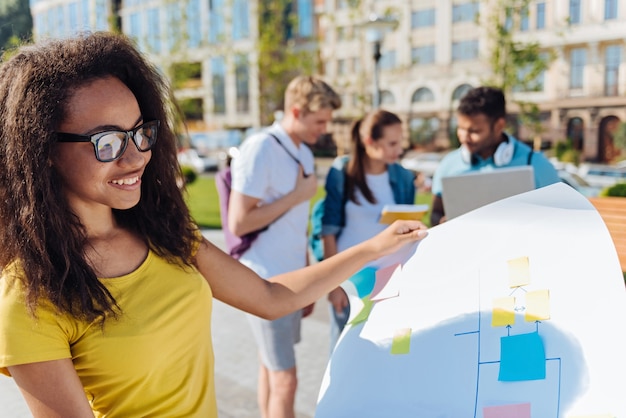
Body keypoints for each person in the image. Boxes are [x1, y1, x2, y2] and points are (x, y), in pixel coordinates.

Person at [0, 33, 428, 418]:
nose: (135, 158)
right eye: (106, 142)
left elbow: (270, 296)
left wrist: (375, 247)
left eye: (140, 133)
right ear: (43, 152)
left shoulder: (164, 232)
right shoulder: (29, 299)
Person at [228, 75, 341, 418]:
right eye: (319, 121)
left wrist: (307, 280)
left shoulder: (304, 153)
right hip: (264, 280)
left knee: (271, 368)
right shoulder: (261, 147)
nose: (324, 129)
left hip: (291, 279)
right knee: (286, 380)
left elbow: (297, 226)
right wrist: (297, 195)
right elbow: (238, 222)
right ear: (296, 110)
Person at [320, 109, 416, 350]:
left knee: (390, 349)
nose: (399, 149)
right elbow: (328, 230)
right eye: (392, 143)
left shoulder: (403, 177)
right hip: (350, 279)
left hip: (391, 279)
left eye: (400, 142)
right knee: (345, 352)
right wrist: (333, 285)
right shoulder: (342, 173)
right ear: (369, 142)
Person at [430, 86, 560, 226]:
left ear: (499, 126)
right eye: (461, 128)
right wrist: (442, 222)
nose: (464, 137)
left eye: (474, 131)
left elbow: (561, 216)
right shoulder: (448, 164)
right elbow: (435, 213)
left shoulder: (536, 164)